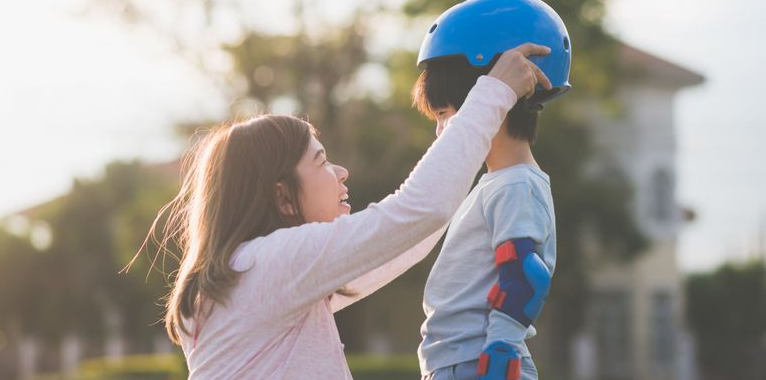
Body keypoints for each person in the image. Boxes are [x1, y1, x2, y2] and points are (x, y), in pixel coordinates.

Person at [131, 42, 551, 378]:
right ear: (282, 197)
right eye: (321, 161)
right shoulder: (269, 265)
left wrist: (468, 143)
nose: (341, 172)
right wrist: (493, 94)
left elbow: (407, 236)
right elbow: (416, 213)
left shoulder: (248, 277)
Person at [411, 0, 572, 379]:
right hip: (463, 362)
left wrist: (500, 355)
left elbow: (523, 277)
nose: (439, 131)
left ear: (493, 98)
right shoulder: (498, 183)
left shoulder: (515, 185)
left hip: (482, 364)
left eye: (445, 114)